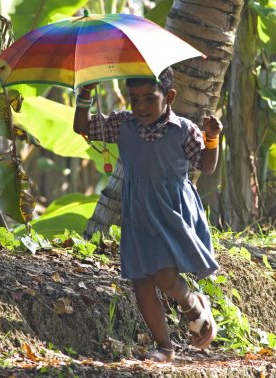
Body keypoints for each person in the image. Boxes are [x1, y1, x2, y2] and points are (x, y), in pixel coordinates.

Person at [73, 67, 223, 362]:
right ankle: (165, 347)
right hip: (137, 210)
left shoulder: (184, 130)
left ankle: (192, 304)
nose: (140, 106)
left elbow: (206, 166)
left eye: (148, 99)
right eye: (135, 99)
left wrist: (212, 138)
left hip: (171, 209)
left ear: (169, 96)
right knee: (142, 282)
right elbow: (84, 127)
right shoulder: (122, 124)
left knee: (166, 277)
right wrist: (86, 95)